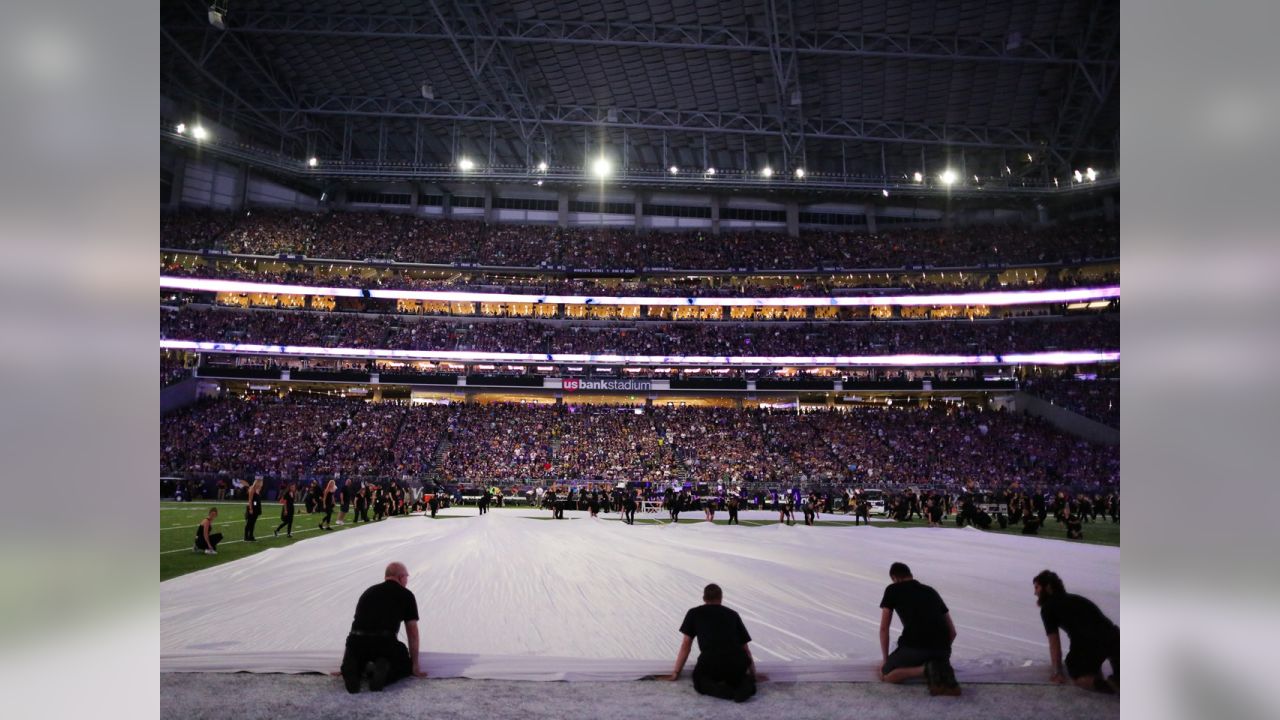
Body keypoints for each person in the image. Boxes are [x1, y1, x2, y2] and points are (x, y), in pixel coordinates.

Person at [339, 562, 428, 693]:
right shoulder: (406, 595)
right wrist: (414, 665)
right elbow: (412, 632)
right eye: (406, 577)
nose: (407, 580)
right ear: (400, 577)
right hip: (384, 644)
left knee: (357, 659)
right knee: (403, 662)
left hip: (357, 643)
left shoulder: (368, 592)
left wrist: (346, 657)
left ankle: (350, 669)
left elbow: (355, 627)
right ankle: (383, 674)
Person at [665, 584, 761, 702]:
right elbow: (745, 648)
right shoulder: (732, 614)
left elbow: (686, 644)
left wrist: (676, 672)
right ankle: (745, 688)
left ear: (704, 598)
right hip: (737, 662)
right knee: (740, 678)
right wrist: (754, 675)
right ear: (721, 598)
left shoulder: (694, 613)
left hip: (711, 662)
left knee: (700, 680)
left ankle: (726, 693)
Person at [878, 562, 960, 695]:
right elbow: (953, 632)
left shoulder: (892, 589)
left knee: (885, 674)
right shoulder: (931, 591)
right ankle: (939, 667)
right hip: (943, 651)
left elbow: (884, 629)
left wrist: (885, 661)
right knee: (929, 659)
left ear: (895, 578)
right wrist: (939, 653)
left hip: (915, 647)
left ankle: (925, 670)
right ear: (910, 574)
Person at [1033, 570, 1119, 693]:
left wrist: (1057, 672)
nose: (1035, 593)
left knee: (1076, 671)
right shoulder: (1077, 599)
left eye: (1037, 587)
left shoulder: (1048, 608)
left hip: (1090, 642)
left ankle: (1108, 688)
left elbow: (1054, 642)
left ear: (1048, 587)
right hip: (1114, 637)